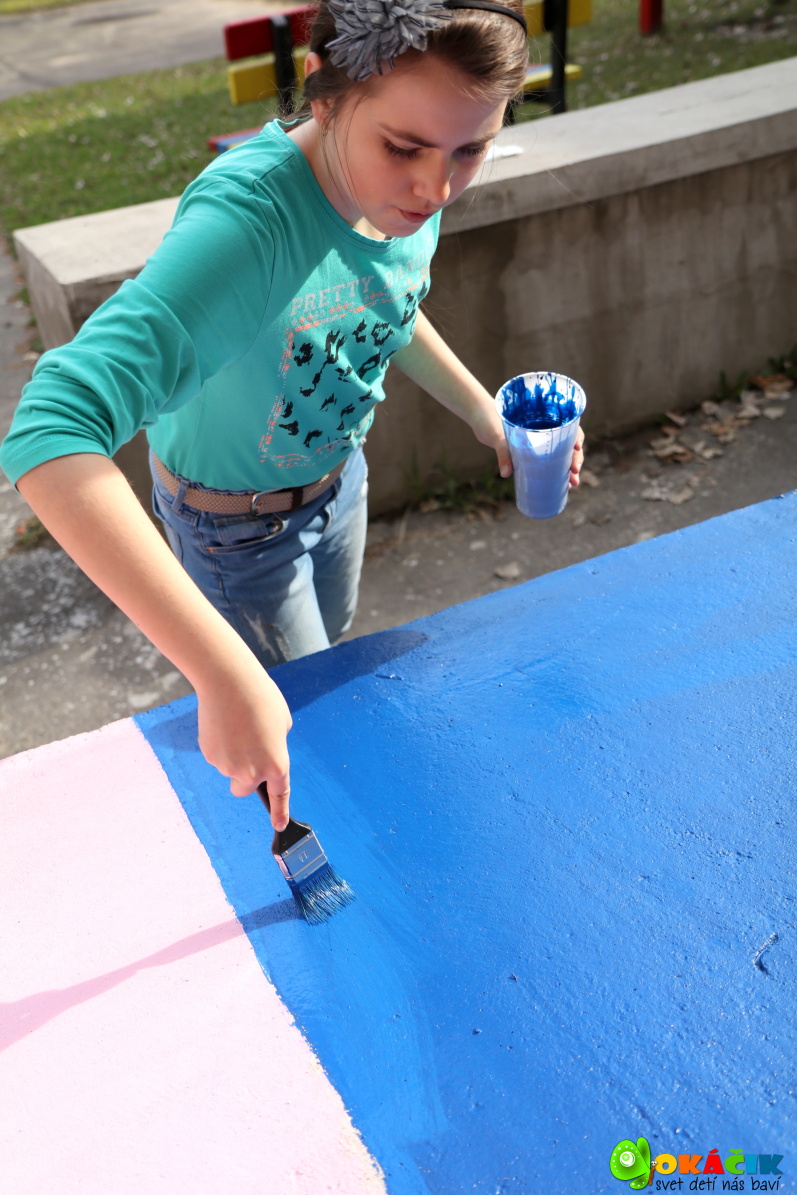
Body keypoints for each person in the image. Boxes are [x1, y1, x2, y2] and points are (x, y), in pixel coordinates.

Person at [0, 0, 584, 831]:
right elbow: (50, 429)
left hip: (337, 482)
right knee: (302, 731)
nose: (435, 188)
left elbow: (384, 296)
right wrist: (217, 671)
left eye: (470, 149)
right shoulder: (251, 226)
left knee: (321, 670)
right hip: (235, 533)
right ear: (323, 92)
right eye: (404, 148)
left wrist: (481, 411)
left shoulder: (399, 188)